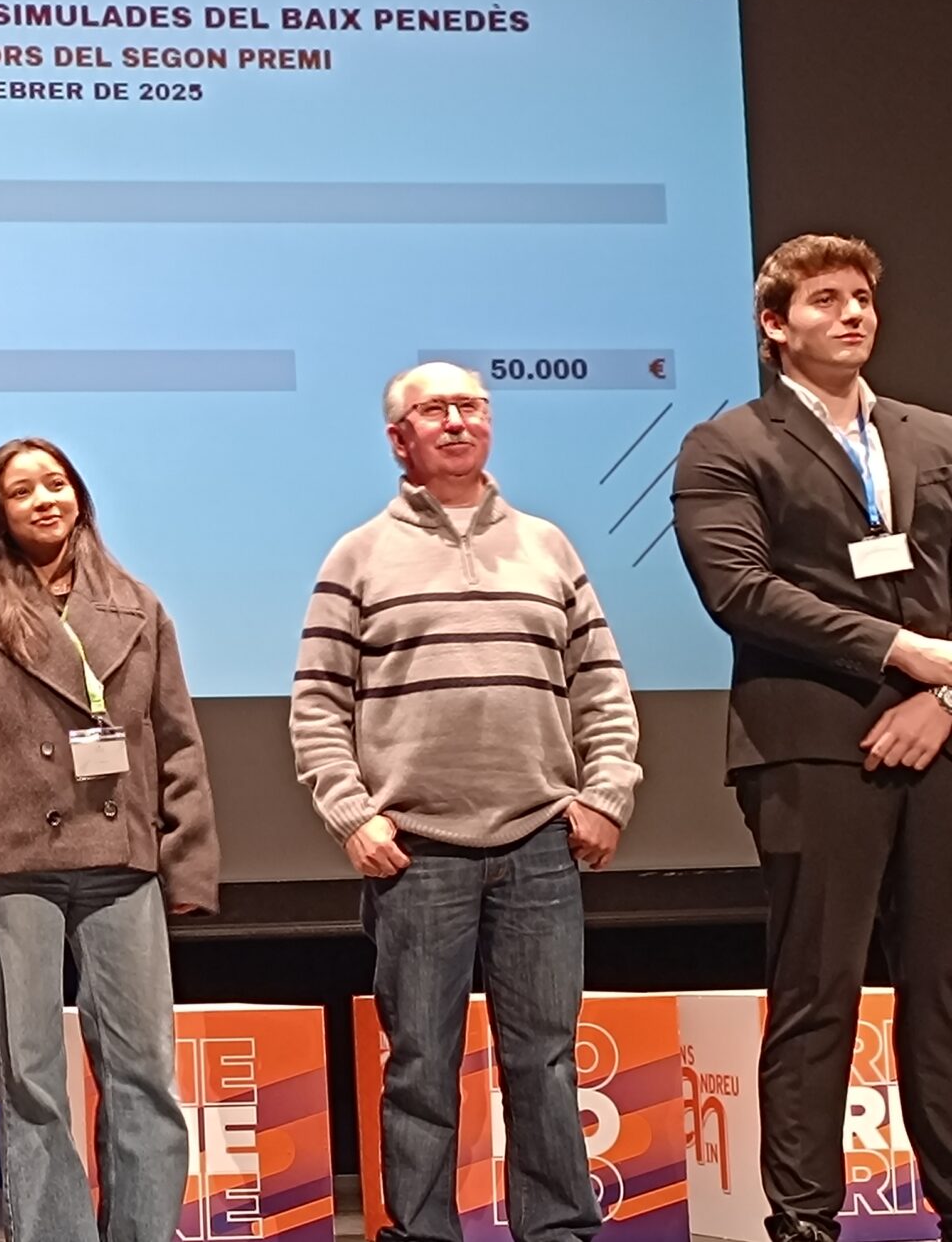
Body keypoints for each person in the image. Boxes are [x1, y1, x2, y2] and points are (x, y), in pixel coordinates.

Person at [290, 362, 641, 1242]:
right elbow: (318, 705)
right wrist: (352, 816)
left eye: (471, 406)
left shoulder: (548, 547)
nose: (456, 421)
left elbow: (601, 685)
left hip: (540, 844)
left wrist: (606, 795)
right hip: (417, 851)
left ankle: (559, 1231)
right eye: (434, 409)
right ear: (398, 438)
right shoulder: (357, 556)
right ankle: (421, 1233)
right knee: (419, 1066)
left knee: (546, 1061)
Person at [671, 234, 952, 1242]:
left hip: (942, 739)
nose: (852, 313)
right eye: (825, 299)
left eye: (862, 296)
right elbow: (740, 590)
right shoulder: (728, 444)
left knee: (944, 992)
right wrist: (898, 651)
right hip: (812, 744)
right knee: (818, 989)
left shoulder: (932, 436)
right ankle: (803, 1221)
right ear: (774, 325)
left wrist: (943, 694)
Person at [0, 437, 219, 1242]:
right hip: (13, 863)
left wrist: (188, 865)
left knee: (144, 1074)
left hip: (123, 861)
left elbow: (177, 741)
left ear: (79, 496)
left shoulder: (138, 607)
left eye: (56, 484)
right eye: (23, 491)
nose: (44, 500)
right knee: (31, 1080)